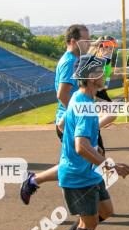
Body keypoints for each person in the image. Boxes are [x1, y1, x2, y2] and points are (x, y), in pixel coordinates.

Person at [44, 55, 129, 230]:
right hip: (78, 176)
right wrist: (109, 165)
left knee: (105, 211)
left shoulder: (80, 97)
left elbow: (62, 125)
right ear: (92, 77)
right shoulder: (85, 106)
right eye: (102, 72)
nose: (106, 75)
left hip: (88, 172)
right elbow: (80, 146)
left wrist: (93, 153)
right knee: (89, 222)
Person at [19, 25, 94, 204]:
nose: (89, 43)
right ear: (74, 41)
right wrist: (76, 116)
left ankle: (92, 203)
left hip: (74, 120)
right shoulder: (69, 62)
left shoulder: (76, 58)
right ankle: (35, 181)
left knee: (85, 160)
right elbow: (62, 95)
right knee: (78, 163)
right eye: (86, 40)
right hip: (70, 122)